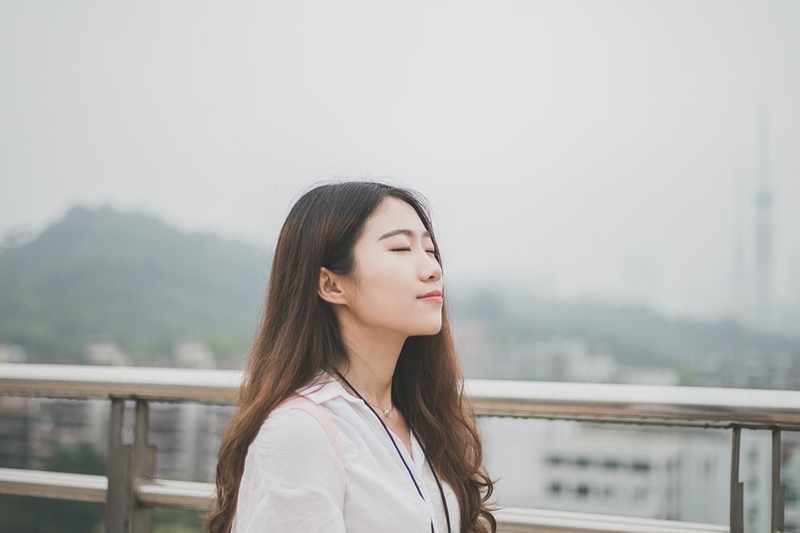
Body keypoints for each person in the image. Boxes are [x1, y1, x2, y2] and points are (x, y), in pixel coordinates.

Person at [207, 181, 496, 533]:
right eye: (401, 248)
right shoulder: (301, 431)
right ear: (331, 285)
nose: (433, 269)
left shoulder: (422, 418)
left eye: (431, 250)